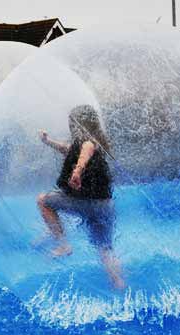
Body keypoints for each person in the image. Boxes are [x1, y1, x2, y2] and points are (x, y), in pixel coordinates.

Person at [37, 104, 125, 290]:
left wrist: (77, 172)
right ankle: (119, 284)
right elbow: (67, 149)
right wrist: (48, 141)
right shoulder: (98, 142)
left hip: (87, 204)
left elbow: (86, 150)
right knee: (105, 250)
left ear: (78, 124)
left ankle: (63, 245)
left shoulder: (88, 143)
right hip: (105, 206)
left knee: (43, 201)